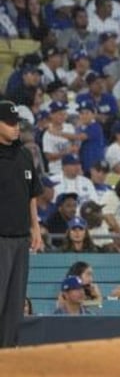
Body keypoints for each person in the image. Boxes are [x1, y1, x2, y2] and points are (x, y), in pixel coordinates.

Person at [0, 101, 43, 347]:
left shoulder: (24, 154)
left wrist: (35, 227)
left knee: (15, 303)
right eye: (9, 123)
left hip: (19, 239)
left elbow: (31, 194)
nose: (15, 128)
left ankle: (6, 357)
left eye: (17, 123)